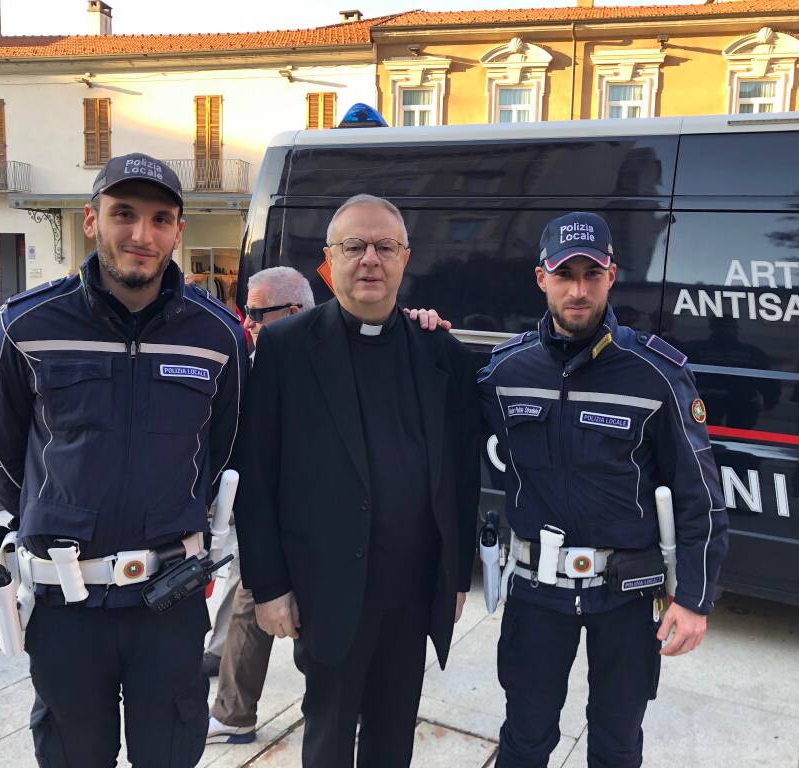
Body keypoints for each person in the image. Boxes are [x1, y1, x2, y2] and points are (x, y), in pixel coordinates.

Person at [0, 152, 247, 768]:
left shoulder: (218, 335)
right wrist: (51, 511)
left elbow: (225, 447)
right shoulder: (24, 325)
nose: (141, 235)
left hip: (169, 599)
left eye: (160, 219)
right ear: (92, 221)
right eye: (124, 214)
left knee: (171, 753)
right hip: (67, 605)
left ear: (178, 231)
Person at [234, 194, 480, 767]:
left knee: (394, 739)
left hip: (413, 592)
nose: (370, 259)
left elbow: (461, 476)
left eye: (385, 247)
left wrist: (457, 575)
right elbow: (257, 475)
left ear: (404, 259)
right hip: (327, 592)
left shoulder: (440, 352)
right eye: (354, 246)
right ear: (329, 259)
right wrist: (268, 586)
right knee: (328, 736)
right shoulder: (284, 349)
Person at [477, 212, 728, 768]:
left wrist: (693, 598)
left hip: (627, 595)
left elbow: (700, 493)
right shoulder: (503, 372)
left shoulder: (655, 372)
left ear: (612, 276)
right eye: (565, 274)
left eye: (593, 274)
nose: (579, 289)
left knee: (617, 742)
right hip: (537, 593)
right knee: (525, 737)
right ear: (541, 278)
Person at [205, 266, 314, 744]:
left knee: (317, 627)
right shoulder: (255, 359)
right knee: (250, 609)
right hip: (265, 519)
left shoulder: (337, 356)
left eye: (253, 313)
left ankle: (330, 709)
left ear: (291, 312)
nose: (244, 321)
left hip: (319, 528)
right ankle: (233, 715)